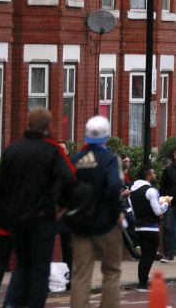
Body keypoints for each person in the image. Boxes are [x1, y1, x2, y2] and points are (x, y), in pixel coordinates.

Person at [0, 108, 76, 308]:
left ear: (27, 125)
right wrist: (62, 206)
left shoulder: (12, 150)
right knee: (39, 270)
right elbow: (70, 179)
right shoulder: (53, 150)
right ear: (48, 126)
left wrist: (3, 214)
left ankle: (11, 304)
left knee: (22, 265)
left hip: (17, 219)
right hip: (42, 218)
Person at [68, 116, 123, 308]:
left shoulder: (76, 159)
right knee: (111, 271)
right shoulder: (109, 159)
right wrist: (117, 212)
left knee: (81, 274)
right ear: (106, 136)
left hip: (80, 224)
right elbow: (114, 185)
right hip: (105, 223)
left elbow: (65, 188)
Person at [130, 166, 169, 292]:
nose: (155, 175)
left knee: (144, 256)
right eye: (153, 173)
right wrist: (166, 204)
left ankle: (142, 282)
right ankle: (142, 284)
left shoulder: (133, 190)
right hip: (151, 228)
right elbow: (158, 211)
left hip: (138, 227)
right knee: (149, 255)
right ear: (148, 175)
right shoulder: (151, 191)